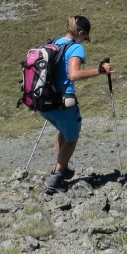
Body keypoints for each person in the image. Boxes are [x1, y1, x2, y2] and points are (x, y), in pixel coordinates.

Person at [41, 14, 114, 194]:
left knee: (64, 131)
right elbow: (74, 74)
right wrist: (99, 71)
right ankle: (55, 178)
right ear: (81, 32)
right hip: (62, 102)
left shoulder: (54, 43)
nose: (84, 40)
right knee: (72, 137)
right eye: (85, 37)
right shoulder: (76, 48)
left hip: (43, 101)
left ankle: (63, 168)